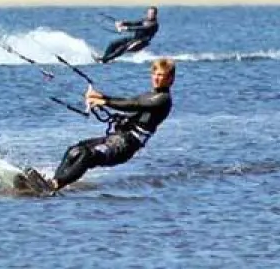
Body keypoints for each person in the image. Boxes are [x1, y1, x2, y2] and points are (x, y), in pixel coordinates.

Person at [28, 58, 175, 193]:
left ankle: (55, 185)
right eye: (155, 74)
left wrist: (105, 102)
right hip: (116, 138)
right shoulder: (149, 95)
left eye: (162, 75)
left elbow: (133, 105)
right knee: (75, 150)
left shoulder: (163, 100)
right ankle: (53, 181)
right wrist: (101, 97)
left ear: (170, 79)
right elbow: (128, 101)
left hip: (126, 146)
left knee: (87, 155)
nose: (157, 78)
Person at [94, 6, 159, 63]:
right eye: (149, 13)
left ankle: (103, 59)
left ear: (155, 14)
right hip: (134, 39)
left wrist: (126, 28)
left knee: (122, 48)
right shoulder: (144, 20)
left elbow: (141, 28)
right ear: (147, 13)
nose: (150, 15)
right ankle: (106, 58)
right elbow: (134, 23)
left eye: (152, 14)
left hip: (141, 43)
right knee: (113, 43)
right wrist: (122, 23)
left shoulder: (154, 24)